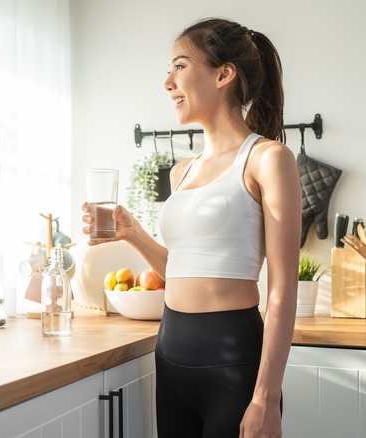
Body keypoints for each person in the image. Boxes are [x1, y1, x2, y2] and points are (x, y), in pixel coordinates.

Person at [82, 18, 300, 438]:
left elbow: (283, 288)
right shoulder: (182, 172)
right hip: (171, 354)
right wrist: (132, 232)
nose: (168, 82)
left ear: (223, 73)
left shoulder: (268, 159)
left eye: (179, 67)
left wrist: (266, 398)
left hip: (233, 360)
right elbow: (183, 270)